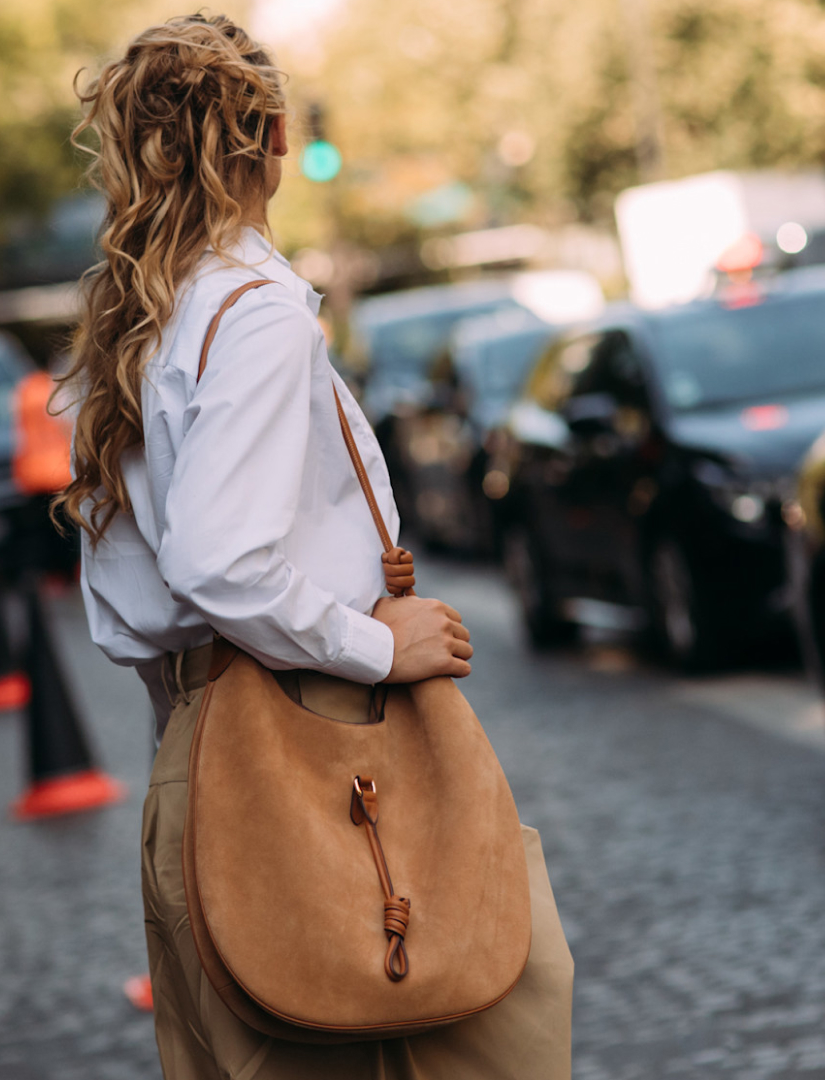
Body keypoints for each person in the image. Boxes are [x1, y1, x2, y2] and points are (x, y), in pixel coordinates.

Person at [57, 14, 572, 1079]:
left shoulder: (139, 323)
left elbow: (127, 606)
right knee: (492, 1015)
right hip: (324, 738)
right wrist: (383, 648)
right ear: (277, 137)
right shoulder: (256, 316)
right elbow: (218, 561)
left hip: (201, 757)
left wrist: (192, 746)